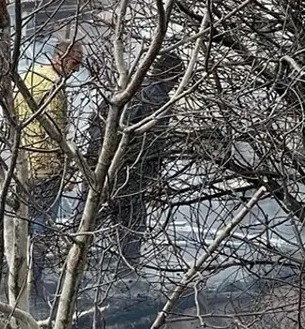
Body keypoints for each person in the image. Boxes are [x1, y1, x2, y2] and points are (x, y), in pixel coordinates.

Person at [85, 51, 183, 272]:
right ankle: (126, 275)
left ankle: (73, 268)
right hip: (129, 174)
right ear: (173, 75)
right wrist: (153, 180)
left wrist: (95, 163)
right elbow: (153, 144)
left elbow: (97, 123)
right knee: (132, 223)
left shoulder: (128, 87)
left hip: (100, 167)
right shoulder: (157, 98)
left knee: (88, 220)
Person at [14, 39, 83, 284]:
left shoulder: (28, 77)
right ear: (60, 58)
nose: (76, 69)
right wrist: (66, 170)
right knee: (41, 223)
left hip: (21, 163)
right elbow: (56, 133)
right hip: (45, 167)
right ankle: (35, 277)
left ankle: (19, 273)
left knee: (22, 220)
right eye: (75, 62)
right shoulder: (54, 87)